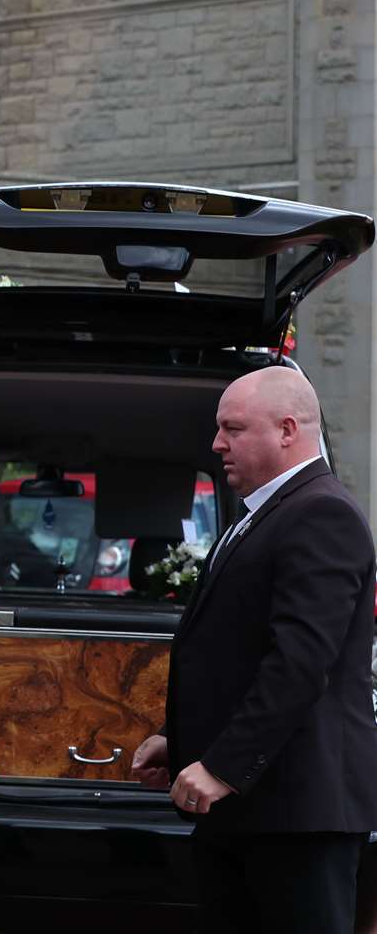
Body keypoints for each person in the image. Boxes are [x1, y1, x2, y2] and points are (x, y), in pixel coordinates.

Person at [130, 366, 377, 933]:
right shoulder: (264, 514)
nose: (218, 443)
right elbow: (236, 651)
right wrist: (183, 740)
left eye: (233, 429)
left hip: (296, 813)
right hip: (254, 809)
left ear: (287, 429)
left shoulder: (321, 514)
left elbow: (299, 664)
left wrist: (222, 766)